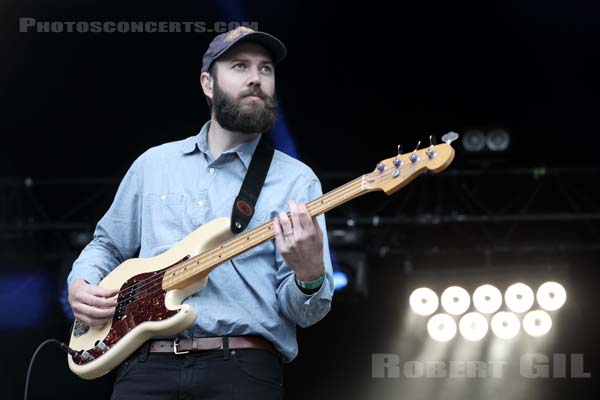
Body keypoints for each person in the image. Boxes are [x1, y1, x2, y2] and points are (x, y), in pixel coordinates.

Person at [67, 27, 334, 399]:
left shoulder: (296, 180)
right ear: (208, 84)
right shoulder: (153, 164)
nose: (256, 78)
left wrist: (309, 275)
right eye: (240, 66)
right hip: (144, 365)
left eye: (266, 69)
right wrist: (81, 284)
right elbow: (107, 245)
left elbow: (307, 313)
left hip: (242, 368)